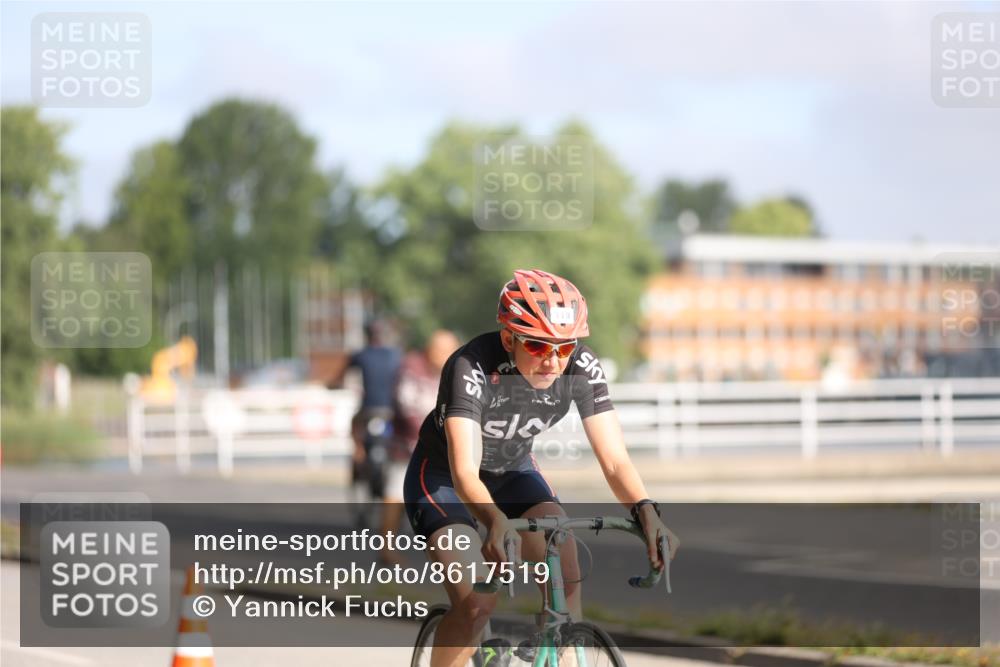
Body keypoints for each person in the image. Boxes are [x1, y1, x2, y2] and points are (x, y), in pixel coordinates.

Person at [403, 269, 680, 667]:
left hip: (513, 471)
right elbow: (465, 471)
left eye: (564, 348)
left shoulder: (581, 366)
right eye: (537, 346)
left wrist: (646, 512)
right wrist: (494, 519)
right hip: (443, 478)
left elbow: (615, 459)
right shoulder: (470, 365)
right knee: (478, 603)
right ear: (508, 338)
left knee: (564, 570)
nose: (553, 362)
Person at [379, 329, 461, 563]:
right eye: (442, 350)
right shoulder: (410, 368)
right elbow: (406, 406)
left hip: (446, 444)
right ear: (429, 350)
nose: (447, 355)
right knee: (394, 493)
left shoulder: (456, 369)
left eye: (450, 350)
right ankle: (387, 547)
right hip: (407, 444)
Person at [329, 319, 403, 517]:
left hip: (368, 410)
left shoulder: (360, 355)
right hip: (392, 410)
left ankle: (359, 452)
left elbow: (339, 377)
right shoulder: (396, 355)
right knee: (401, 441)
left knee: (354, 424)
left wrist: (332, 385)